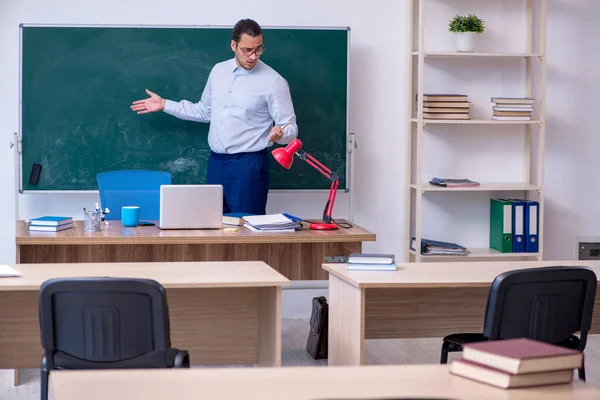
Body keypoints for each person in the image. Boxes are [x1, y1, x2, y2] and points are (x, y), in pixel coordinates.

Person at [131, 19, 298, 215]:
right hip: (216, 163)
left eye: (259, 49)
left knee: (247, 230)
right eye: (247, 50)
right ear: (233, 45)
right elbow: (205, 111)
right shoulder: (219, 71)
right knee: (215, 227)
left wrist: (280, 136)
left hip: (248, 166)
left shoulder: (273, 81)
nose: (253, 56)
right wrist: (165, 104)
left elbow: (290, 128)